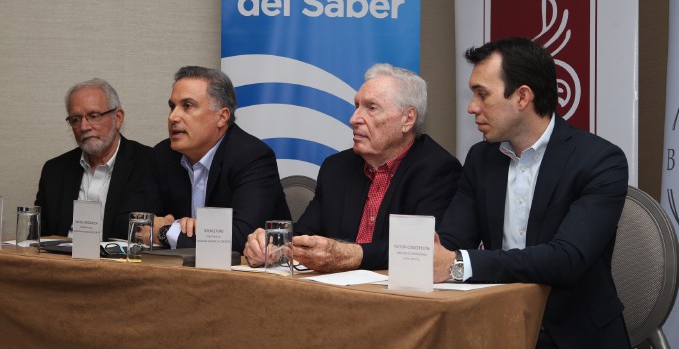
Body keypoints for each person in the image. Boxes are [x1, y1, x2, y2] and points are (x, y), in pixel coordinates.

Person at [433, 38, 632, 349]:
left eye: (482, 94)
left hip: (570, 338)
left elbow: (566, 260)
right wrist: (431, 250)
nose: (472, 107)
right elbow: (454, 239)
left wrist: (457, 264)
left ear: (522, 96)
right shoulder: (481, 159)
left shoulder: (599, 160)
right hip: (493, 325)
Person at [244, 63, 461, 272]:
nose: (354, 119)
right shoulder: (336, 168)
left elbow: (420, 249)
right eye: (357, 106)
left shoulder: (437, 169)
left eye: (371, 108)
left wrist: (349, 255)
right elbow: (305, 235)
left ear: (408, 119)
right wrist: (272, 247)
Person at [119, 66, 289, 252]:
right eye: (172, 106)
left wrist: (165, 231)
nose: (173, 117)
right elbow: (124, 221)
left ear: (222, 117)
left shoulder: (252, 156)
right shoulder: (164, 154)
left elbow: (241, 238)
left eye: (187, 106)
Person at [35, 78, 152, 240]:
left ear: (118, 118)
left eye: (94, 116)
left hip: (119, 263)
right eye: (75, 119)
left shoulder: (149, 164)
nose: (84, 127)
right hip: (62, 262)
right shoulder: (54, 171)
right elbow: (38, 238)